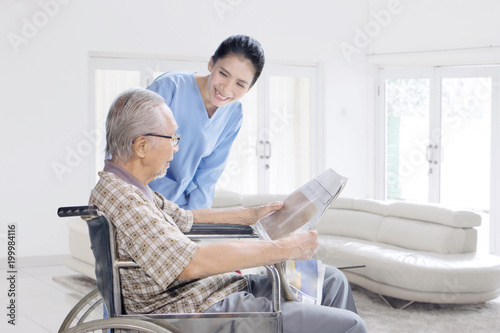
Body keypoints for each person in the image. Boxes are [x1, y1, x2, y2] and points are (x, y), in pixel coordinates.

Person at [89, 88, 367, 333]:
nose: (175, 149)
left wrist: (252, 214)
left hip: (204, 292)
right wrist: (286, 248)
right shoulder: (125, 200)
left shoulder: (127, 187)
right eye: (172, 138)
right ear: (141, 145)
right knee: (350, 326)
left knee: (332, 281)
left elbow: (187, 218)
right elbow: (191, 263)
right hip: (191, 311)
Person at [147, 34, 265, 209]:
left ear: (250, 88)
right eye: (223, 74)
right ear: (211, 64)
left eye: (240, 84)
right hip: (141, 199)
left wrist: (197, 222)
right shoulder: (169, 87)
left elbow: (208, 175)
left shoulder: (234, 114)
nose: (226, 88)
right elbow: (126, 147)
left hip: (181, 208)